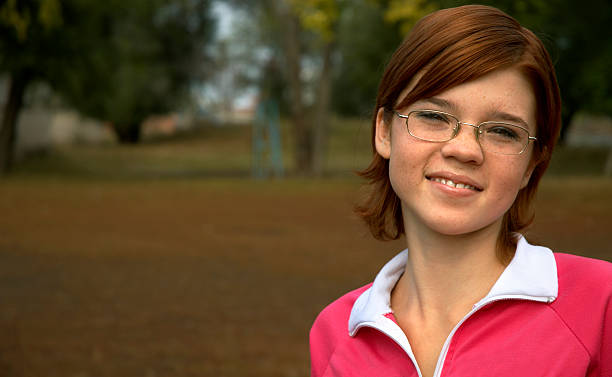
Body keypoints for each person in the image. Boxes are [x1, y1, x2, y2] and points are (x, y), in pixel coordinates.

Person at [309, 5, 612, 377]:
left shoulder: (600, 306)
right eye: (434, 117)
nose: (465, 149)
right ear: (384, 131)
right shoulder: (336, 332)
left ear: (531, 164)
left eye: (503, 131)